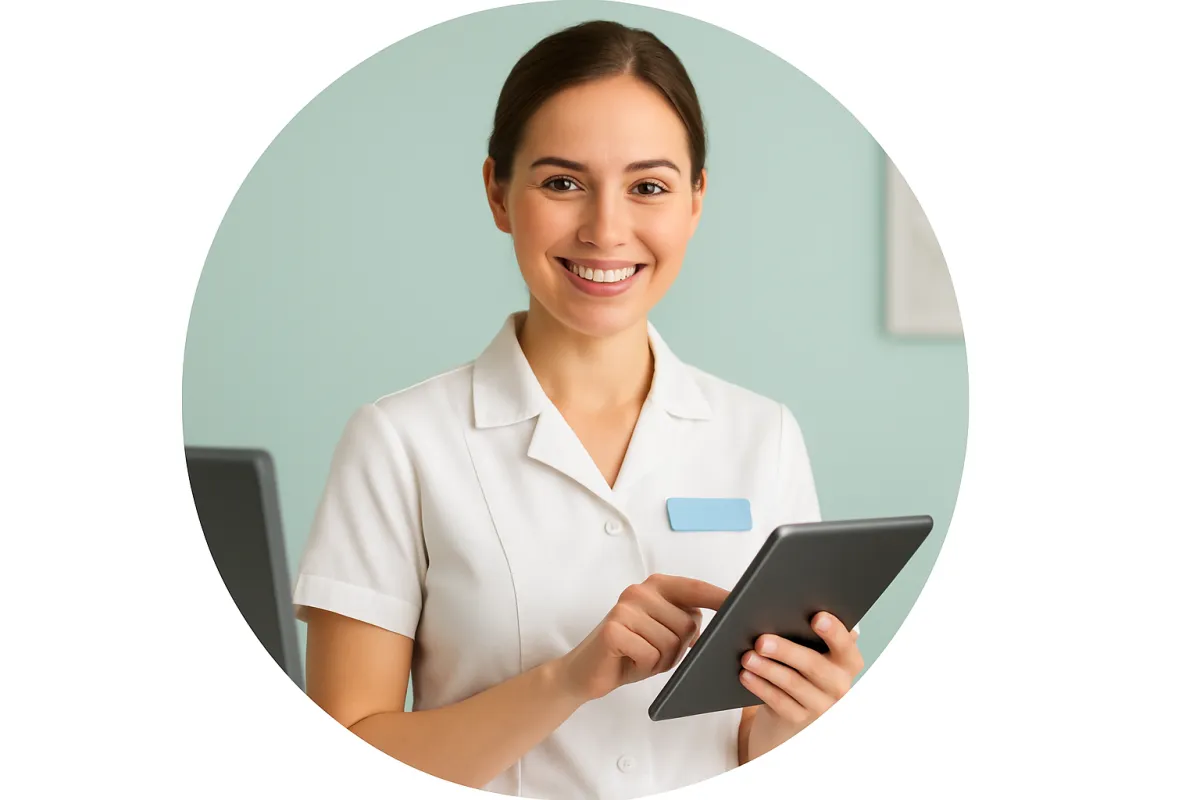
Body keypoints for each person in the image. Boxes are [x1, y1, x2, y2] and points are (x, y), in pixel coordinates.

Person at [293, 19, 864, 800]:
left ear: (697, 201)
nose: (605, 229)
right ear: (498, 192)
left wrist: (800, 719)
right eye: (562, 182)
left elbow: (744, 740)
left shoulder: (762, 437)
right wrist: (566, 681)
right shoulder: (399, 442)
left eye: (649, 187)